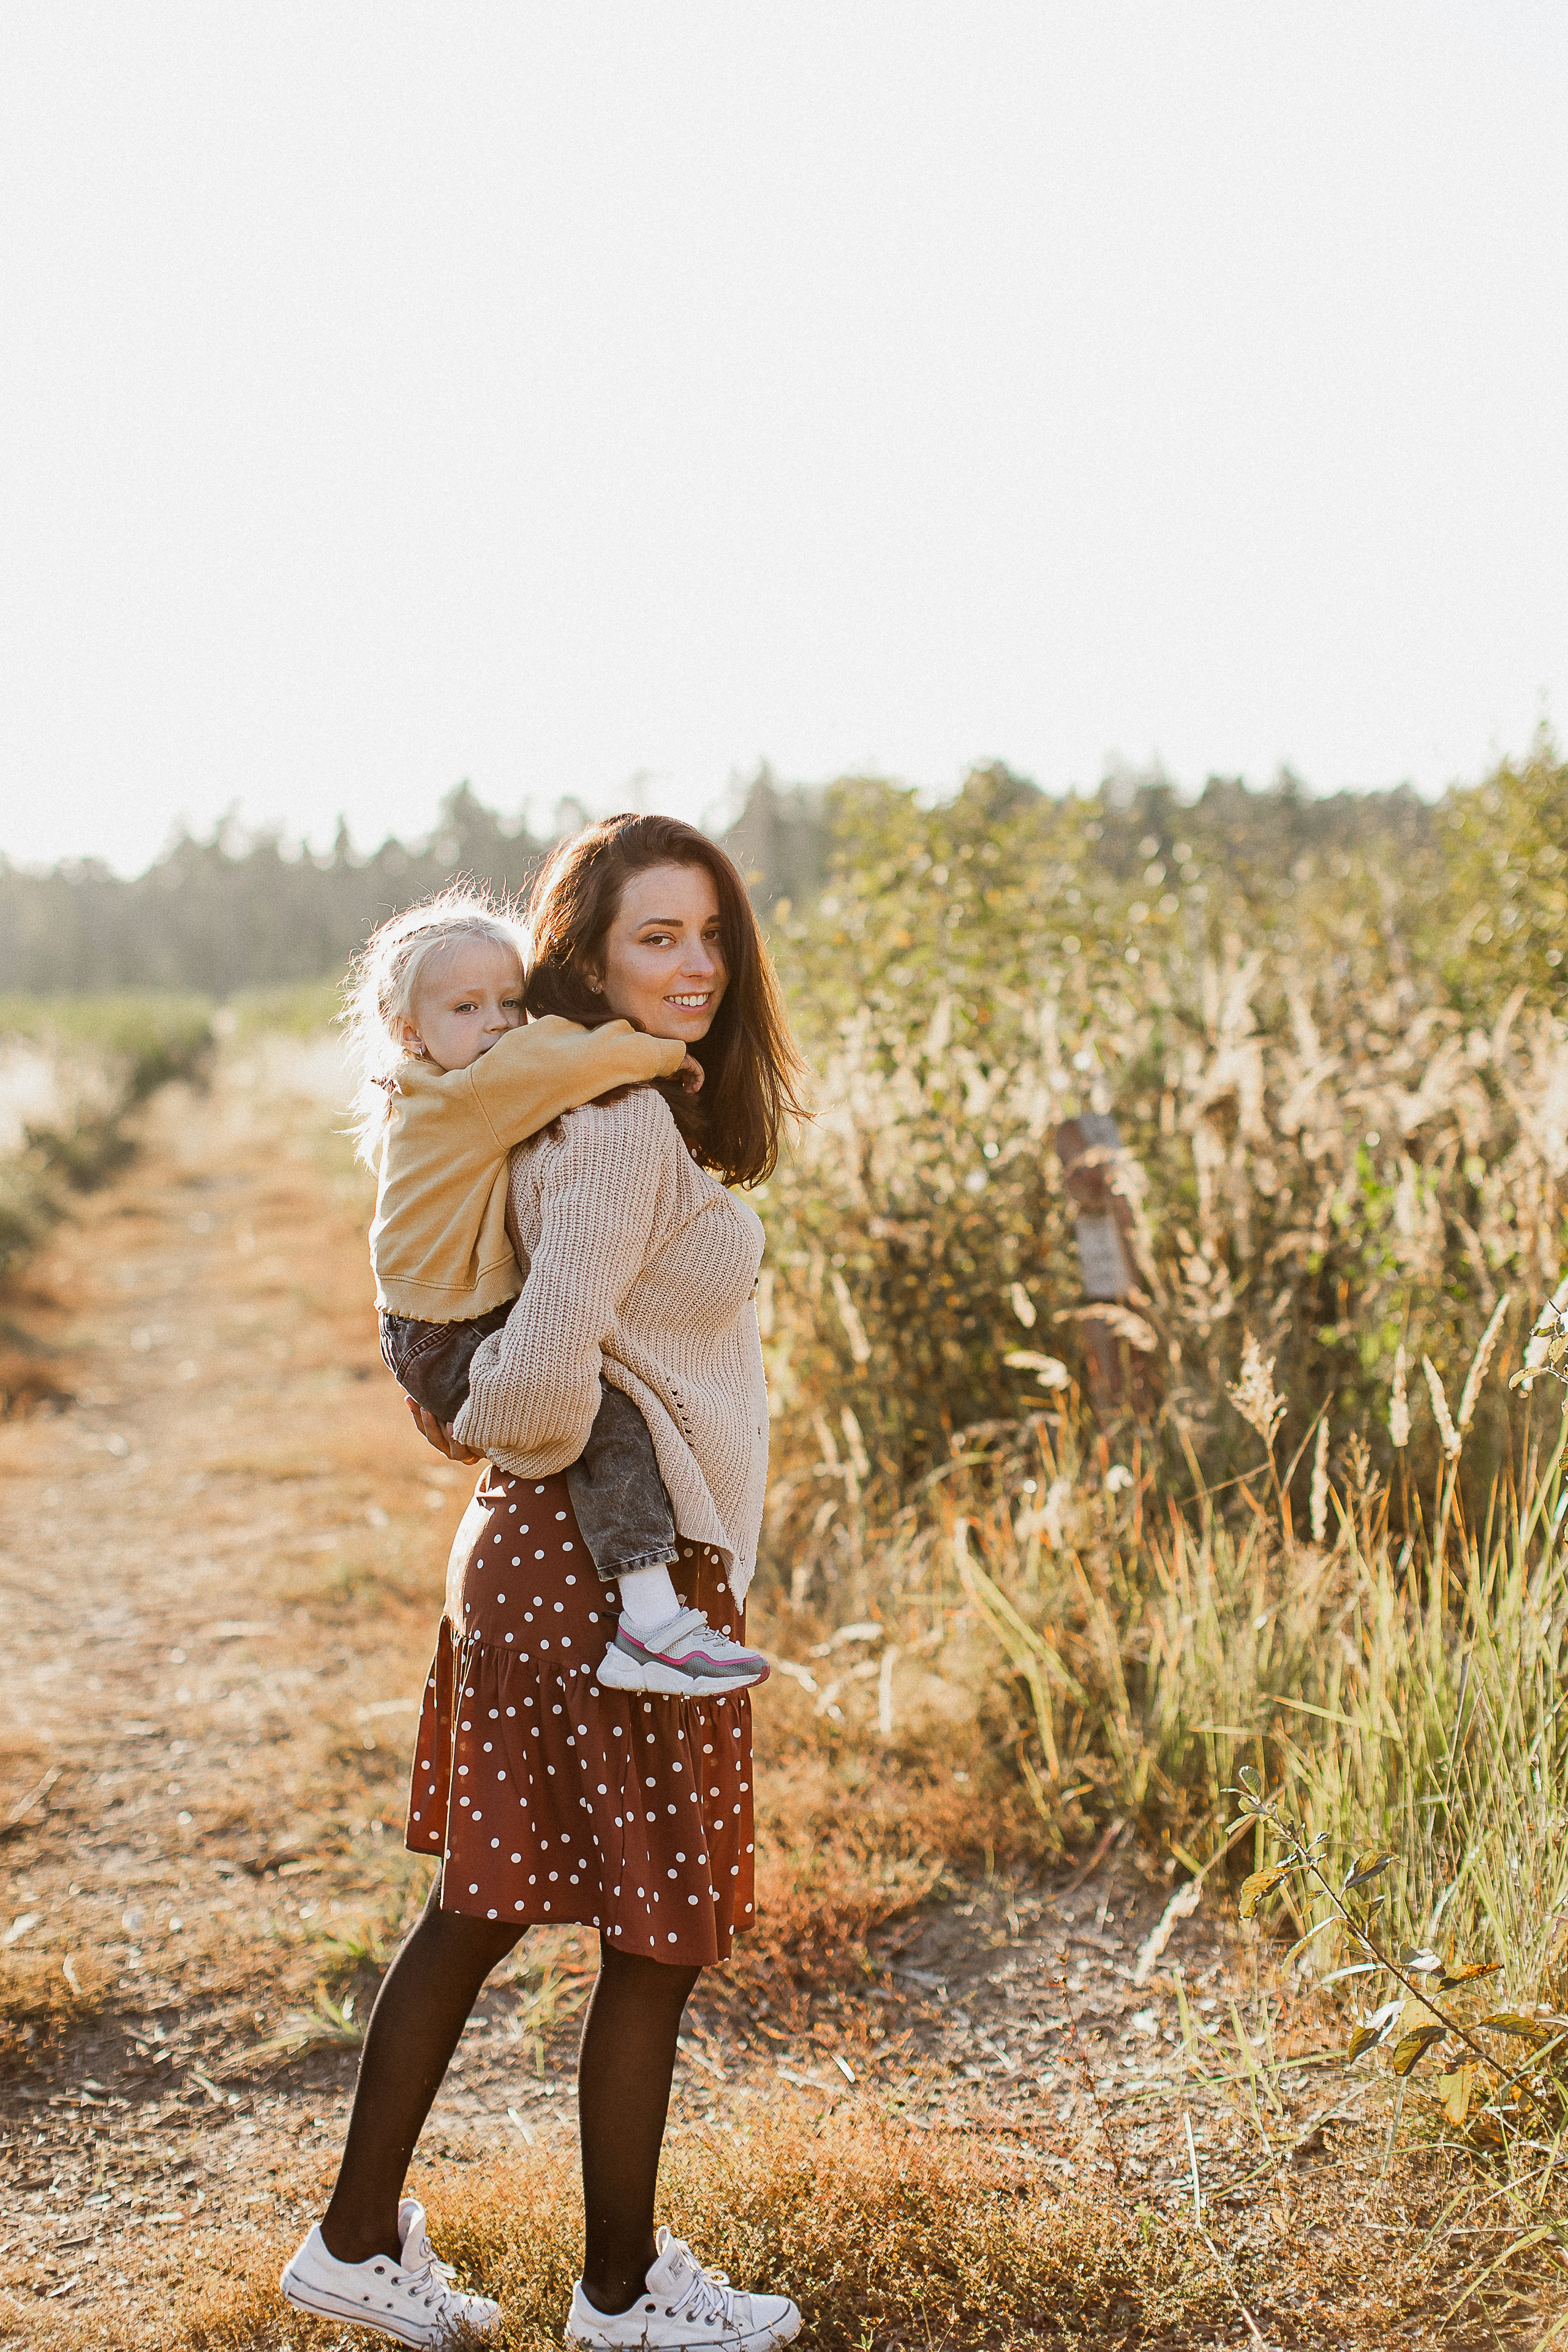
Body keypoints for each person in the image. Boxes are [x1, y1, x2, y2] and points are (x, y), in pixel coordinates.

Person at [281, 815, 809, 2351]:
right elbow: (527, 1393)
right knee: (650, 1936)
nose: (696, 965)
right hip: (585, 1578)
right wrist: (506, 1415)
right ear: (583, 954)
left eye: (709, 935)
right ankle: (621, 2292)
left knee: (484, 1914)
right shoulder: (611, 1121)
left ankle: (360, 2240)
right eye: (657, 936)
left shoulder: (608, 1100)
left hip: (577, 1565)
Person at [344, 886, 767, 1695]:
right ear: (409, 1031)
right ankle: (648, 1622)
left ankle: (653, 1620)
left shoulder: (442, 1088)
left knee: (604, 1417)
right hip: (447, 1328)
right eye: (468, 1007)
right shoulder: (475, 1090)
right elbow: (568, 1059)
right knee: (609, 1425)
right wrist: (660, 1056)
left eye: (512, 1001)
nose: (499, 1024)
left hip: (435, 1322)